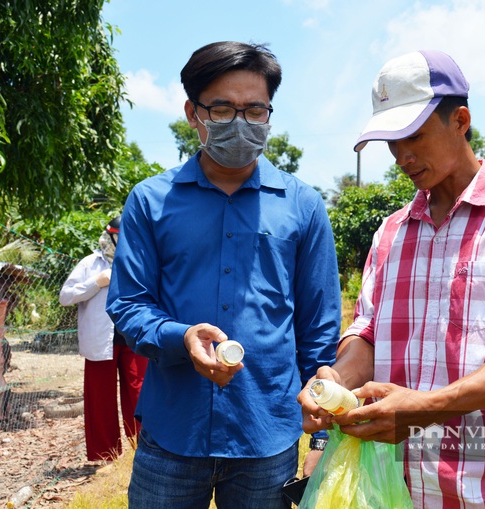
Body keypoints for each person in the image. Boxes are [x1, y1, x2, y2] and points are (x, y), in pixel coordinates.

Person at [298, 49, 485, 509]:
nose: (402, 156)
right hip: (386, 486)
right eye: (391, 141)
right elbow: (368, 332)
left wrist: (422, 411)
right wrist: (335, 383)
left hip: (483, 489)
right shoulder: (391, 232)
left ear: (460, 120)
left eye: (414, 135)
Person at [106, 41, 341, 509]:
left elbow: (318, 327)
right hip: (174, 431)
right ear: (193, 113)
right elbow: (128, 304)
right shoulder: (151, 201)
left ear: (269, 114)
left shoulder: (303, 205)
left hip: (266, 434)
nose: (241, 123)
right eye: (223, 108)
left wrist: (319, 440)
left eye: (255, 110)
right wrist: (181, 336)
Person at [59, 216, 148, 462]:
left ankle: (141, 450)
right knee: (100, 399)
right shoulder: (90, 263)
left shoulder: (139, 260)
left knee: (139, 393)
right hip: (101, 341)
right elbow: (65, 296)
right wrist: (95, 283)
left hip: (134, 338)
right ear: (109, 236)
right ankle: (104, 456)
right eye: (118, 237)